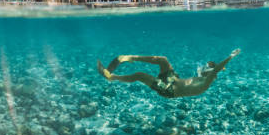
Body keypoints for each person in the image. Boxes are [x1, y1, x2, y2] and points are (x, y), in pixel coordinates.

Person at [97, 49, 241, 98]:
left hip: (169, 90)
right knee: (163, 60)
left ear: (210, 73)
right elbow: (210, 69)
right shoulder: (201, 76)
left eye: (206, 67)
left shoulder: (206, 82)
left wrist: (230, 57)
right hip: (173, 80)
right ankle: (131, 57)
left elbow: (215, 70)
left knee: (140, 75)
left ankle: (112, 77)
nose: (203, 67)